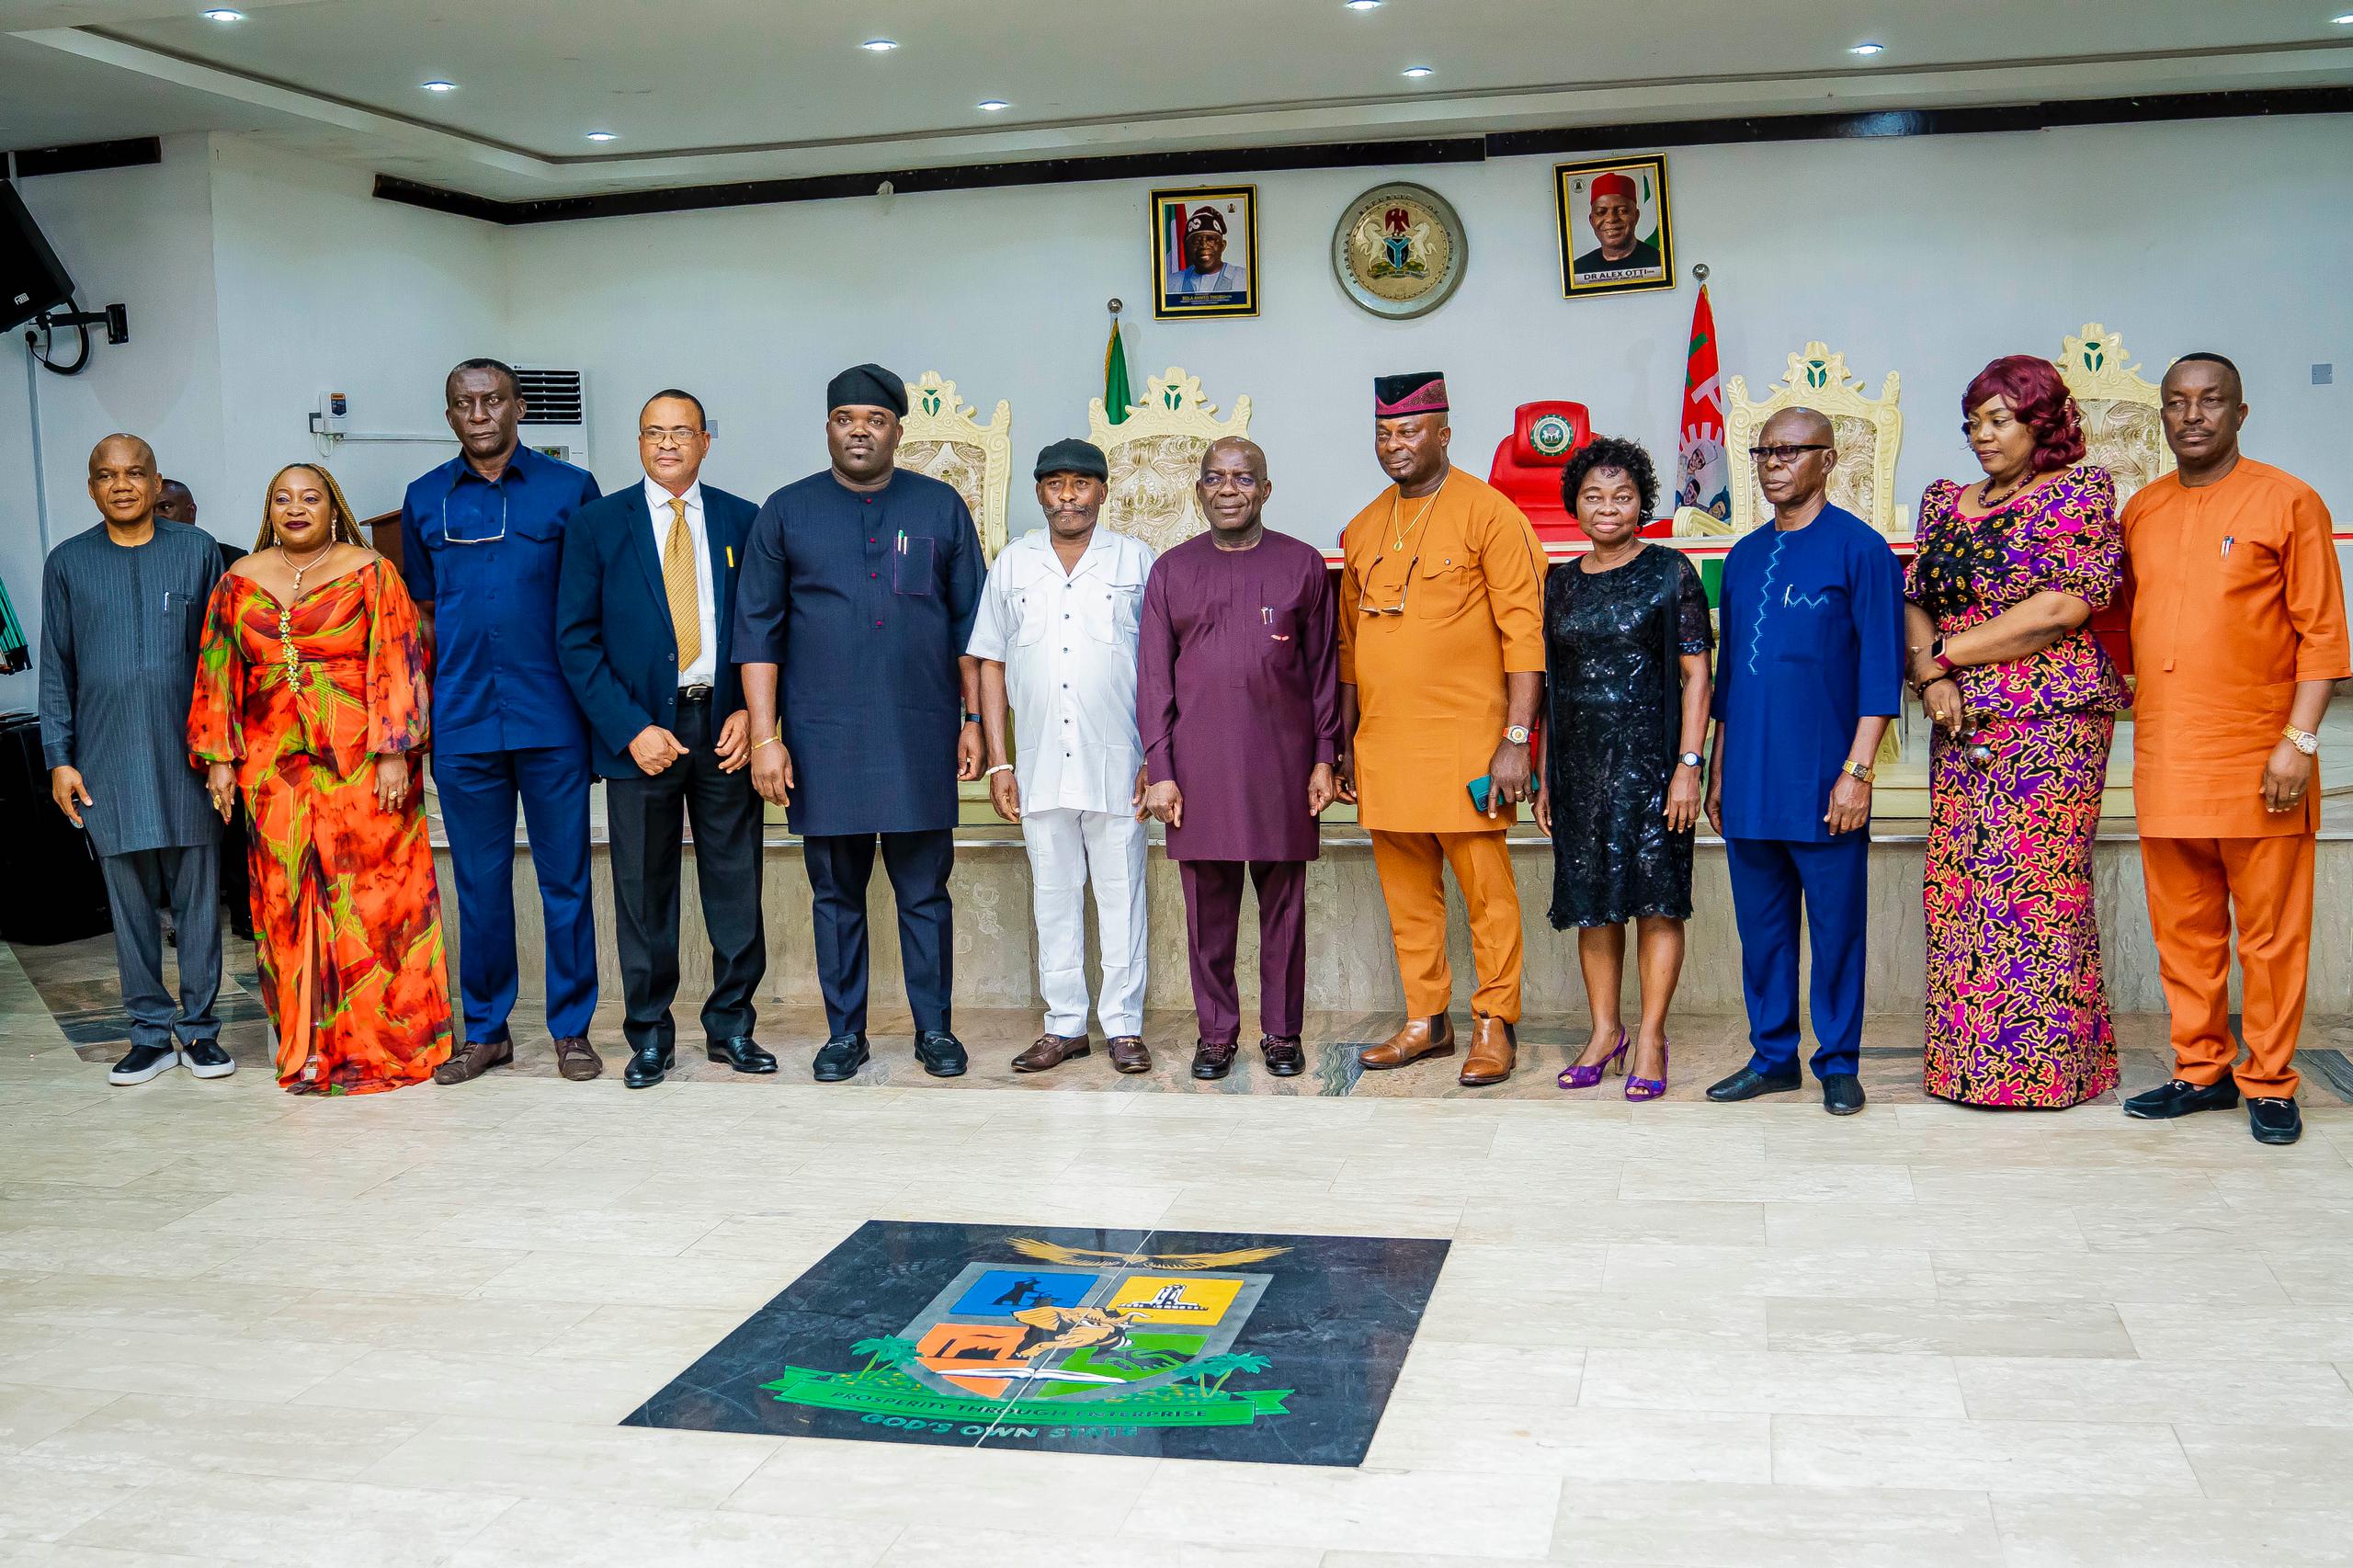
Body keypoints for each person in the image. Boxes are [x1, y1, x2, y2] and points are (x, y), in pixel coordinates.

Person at [2120, 353, 2349, 1147]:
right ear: (2163, 417)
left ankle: (2272, 1082)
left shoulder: (2289, 500)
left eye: (2211, 401)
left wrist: (2298, 742)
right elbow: (2123, 634)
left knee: (2271, 933)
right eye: (2178, 403)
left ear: (2240, 414)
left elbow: (2324, 637)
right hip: (2167, 756)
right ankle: (2200, 1071)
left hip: (2263, 759)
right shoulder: (2141, 510)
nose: (2193, 416)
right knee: (2184, 929)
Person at [734, 363, 985, 1082]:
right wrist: (765, 736)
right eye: (846, 419)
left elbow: (972, 627)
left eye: (874, 420)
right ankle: (845, 1033)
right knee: (836, 895)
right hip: (821, 737)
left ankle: (934, 1030)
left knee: (924, 894)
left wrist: (972, 720)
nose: (859, 431)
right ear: (828, 429)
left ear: (898, 431)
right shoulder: (785, 510)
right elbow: (757, 634)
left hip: (919, 732)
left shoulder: (939, 507)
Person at [1904, 356, 2126, 1110]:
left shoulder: (2079, 492)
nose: (1981, 436)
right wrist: (1934, 680)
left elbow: (2063, 609)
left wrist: (1948, 656)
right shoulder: (1945, 501)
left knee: (2034, 893)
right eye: (1973, 422)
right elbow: (1917, 596)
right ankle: (1964, 1071)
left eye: (1999, 420)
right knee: (1961, 889)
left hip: (2051, 717)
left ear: (2042, 421)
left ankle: (2043, 1074)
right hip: (1957, 718)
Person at [188, 463, 451, 1094]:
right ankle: (306, 1047)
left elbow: (398, 655)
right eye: (283, 498)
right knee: (286, 901)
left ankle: (391, 1042)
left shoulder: (370, 570)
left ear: (333, 507)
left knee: (375, 903)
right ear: (269, 510)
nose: (296, 508)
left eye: (311, 497)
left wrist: (396, 749)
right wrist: (219, 758)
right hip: (272, 769)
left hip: (363, 762)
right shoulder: (237, 581)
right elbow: (217, 668)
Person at [399, 358, 604, 1085]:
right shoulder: (425, 498)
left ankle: (572, 1029)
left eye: (492, 400)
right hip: (462, 723)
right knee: (480, 886)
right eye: (463, 403)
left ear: (519, 407)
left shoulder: (570, 490)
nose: (479, 413)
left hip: (552, 718)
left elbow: (595, 603)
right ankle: (486, 1031)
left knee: (565, 882)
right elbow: (422, 614)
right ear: (449, 415)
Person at [1338, 371, 1546, 1086]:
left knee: (1488, 895)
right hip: (1386, 745)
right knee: (1406, 897)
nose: (1395, 445)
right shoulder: (1364, 527)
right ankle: (1426, 1020)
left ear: (1445, 433)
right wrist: (1344, 742)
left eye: (1410, 431)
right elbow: (1347, 650)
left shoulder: (1491, 514)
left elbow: (1526, 636)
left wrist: (1516, 740)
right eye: (1385, 433)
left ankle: (1496, 1020)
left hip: (1468, 742)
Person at [557, 390, 768, 1090]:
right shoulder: (596, 524)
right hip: (641, 730)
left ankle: (733, 1026)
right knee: (644, 891)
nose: (668, 444)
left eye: (682, 432)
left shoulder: (745, 519)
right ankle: (649, 1036)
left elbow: (767, 629)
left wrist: (753, 715)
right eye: (654, 433)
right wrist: (629, 728)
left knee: (736, 883)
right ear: (639, 442)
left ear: (707, 440)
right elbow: (576, 641)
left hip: (725, 725)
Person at [1704, 408, 1903, 1116]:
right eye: (1764, 451)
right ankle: (1772, 1058)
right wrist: (1719, 769)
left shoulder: (1862, 551)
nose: (1774, 463)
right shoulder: (1744, 556)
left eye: (1792, 451)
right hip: (1751, 779)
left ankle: (1839, 1062)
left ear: (1829, 459)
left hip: (1826, 780)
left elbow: (1881, 672)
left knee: (1837, 927)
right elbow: (1729, 680)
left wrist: (1858, 773)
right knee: (1762, 931)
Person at [1139, 437, 1340, 1080]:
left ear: (1266, 489)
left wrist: (1324, 756)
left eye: (1243, 478)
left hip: (1283, 766)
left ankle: (1282, 1035)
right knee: (1208, 914)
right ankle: (1217, 1034)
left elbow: (1324, 672)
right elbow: (1153, 681)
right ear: (1197, 490)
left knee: (1284, 910)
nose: (1229, 489)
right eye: (1215, 478)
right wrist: (1161, 769)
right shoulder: (1172, 570)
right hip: (1196, 769)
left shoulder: (1302, 565)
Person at [39, 435, 231, 1086]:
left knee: (201, 900)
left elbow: (220, 660)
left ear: (155, 483)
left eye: (134, 473)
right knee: (129, 904)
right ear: (91, 487)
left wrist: (223, 752)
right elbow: (57, 670)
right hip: (107, 760)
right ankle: (149, 1034)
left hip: (190, 760)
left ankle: (201, 1033)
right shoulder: (67, 563)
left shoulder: (198, 553)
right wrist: (58, 757)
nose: (121, 485)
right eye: (106, 475)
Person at [969, 438, 1156, 1076]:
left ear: (1104, 490)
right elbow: (989, 662)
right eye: (1055, 484)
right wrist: (1001, 762)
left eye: (1081, 483)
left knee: (1122, 894)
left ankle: (1125, 1027)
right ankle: (1065, 1025)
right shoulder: (1014, 564)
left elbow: (1163, 666)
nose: (1068, 495)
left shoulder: (1136, 560)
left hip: (1120, 765)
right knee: (1053, 895)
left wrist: (1156, 755)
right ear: (1039, 491)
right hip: (1041, 765)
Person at [1534, 436, 1713, 1101]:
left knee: (1657, 905)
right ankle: (1604, 1032)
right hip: (1580, 769)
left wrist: (1688, 766)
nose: (1608, 508)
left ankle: (1651, 1036)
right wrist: (1547, 773)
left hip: (1653, 767)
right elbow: (1552, 684)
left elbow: (1699, 677)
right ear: (1574, 506)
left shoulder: (1671, 572)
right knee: (1593, 908)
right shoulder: (1558, 582)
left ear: (1643, 503)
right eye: (1594, 497)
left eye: (1623, 496)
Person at [155, 476, 255, 944]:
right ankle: (185, 917)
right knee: (183, 820)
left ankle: (245, 914)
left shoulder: (235, 562)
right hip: (171, 712)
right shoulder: (139, 563)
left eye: (167, 507)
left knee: (234, 820)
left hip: (232, 713)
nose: (158, 516)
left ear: (191, 511)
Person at [1571, 172, 1662, 278]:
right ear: (1591, 220)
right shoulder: (1578, 269)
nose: (1611, 219)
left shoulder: (1659, 263)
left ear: (1636, 216)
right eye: (1601, 212)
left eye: (1622, 211)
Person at [1171, 206, 1246, 297]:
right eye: (1196, 241)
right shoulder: (1171, 282)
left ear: (1222, 245)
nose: (1203, 245)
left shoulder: (1245, 279)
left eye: (1210, 239)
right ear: (1188, 248)